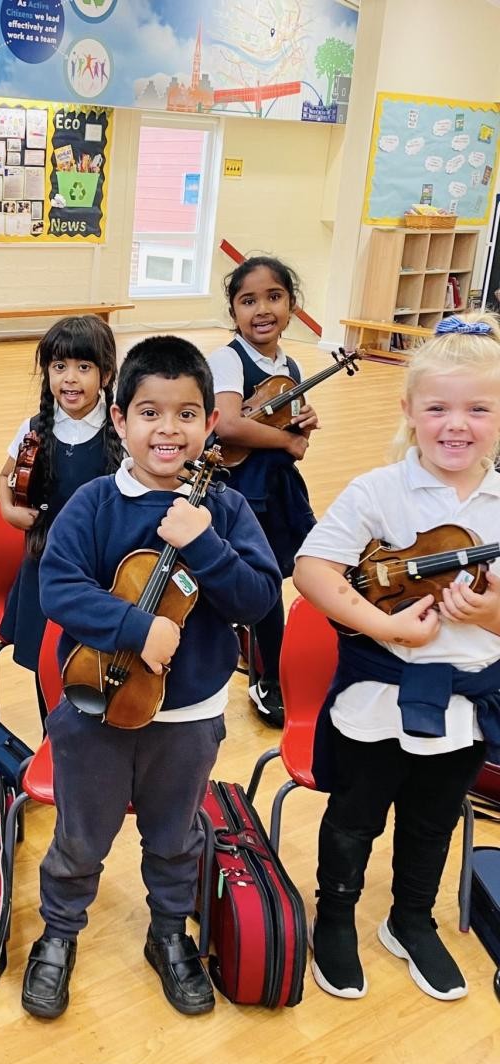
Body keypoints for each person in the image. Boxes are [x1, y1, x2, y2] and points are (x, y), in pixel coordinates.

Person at [21, 336, 280, 1019]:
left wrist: (204, 544)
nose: (168, 429)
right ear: (119, 419)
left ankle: (169, 934)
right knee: (80, 836)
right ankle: (59, 932)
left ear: (209, 424)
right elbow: (60, 589)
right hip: (95, 709)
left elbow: (258, 599)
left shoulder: (222, 511)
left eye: (187, 414)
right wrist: (140, 629)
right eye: (150, 412)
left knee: (176, 837)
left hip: (187, 715)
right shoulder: (94, 504)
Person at [293, 313, 500, 1002]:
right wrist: (387, 629)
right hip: (379, 697)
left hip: (467, 703)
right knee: (356, 816)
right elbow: (315, 569)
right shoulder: (379, 490)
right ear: (408, 410)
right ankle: (337, 918)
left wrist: (494, 614)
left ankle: (411, 918)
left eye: (478, 408)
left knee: (433, 818)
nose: (456, 424)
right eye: (437, 406)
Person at [207, 256, 317, 726]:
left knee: (281, 576)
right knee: (263, 583)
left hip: (277, 487)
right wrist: (288, 438)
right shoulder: (227, 359)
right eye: (248, 300)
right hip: (239, 492)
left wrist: (304, 427)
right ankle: (267, 678)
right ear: (233, 311)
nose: (261, 309)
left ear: (291, 305)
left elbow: (291, 436)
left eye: (273, 297)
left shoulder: (289, 364)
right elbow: (229, 425)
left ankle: (265, 656)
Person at [0, 315, 123, 716]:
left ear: (105, 374)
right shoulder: (34, 428)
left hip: (103, 571)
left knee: (99, 658)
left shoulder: (121, 428)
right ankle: (53, 732)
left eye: (84, 367)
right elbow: (4, 478)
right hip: (45, 566)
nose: (70, 378)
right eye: (59, 366)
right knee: (47, 660)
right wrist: (8, 508)